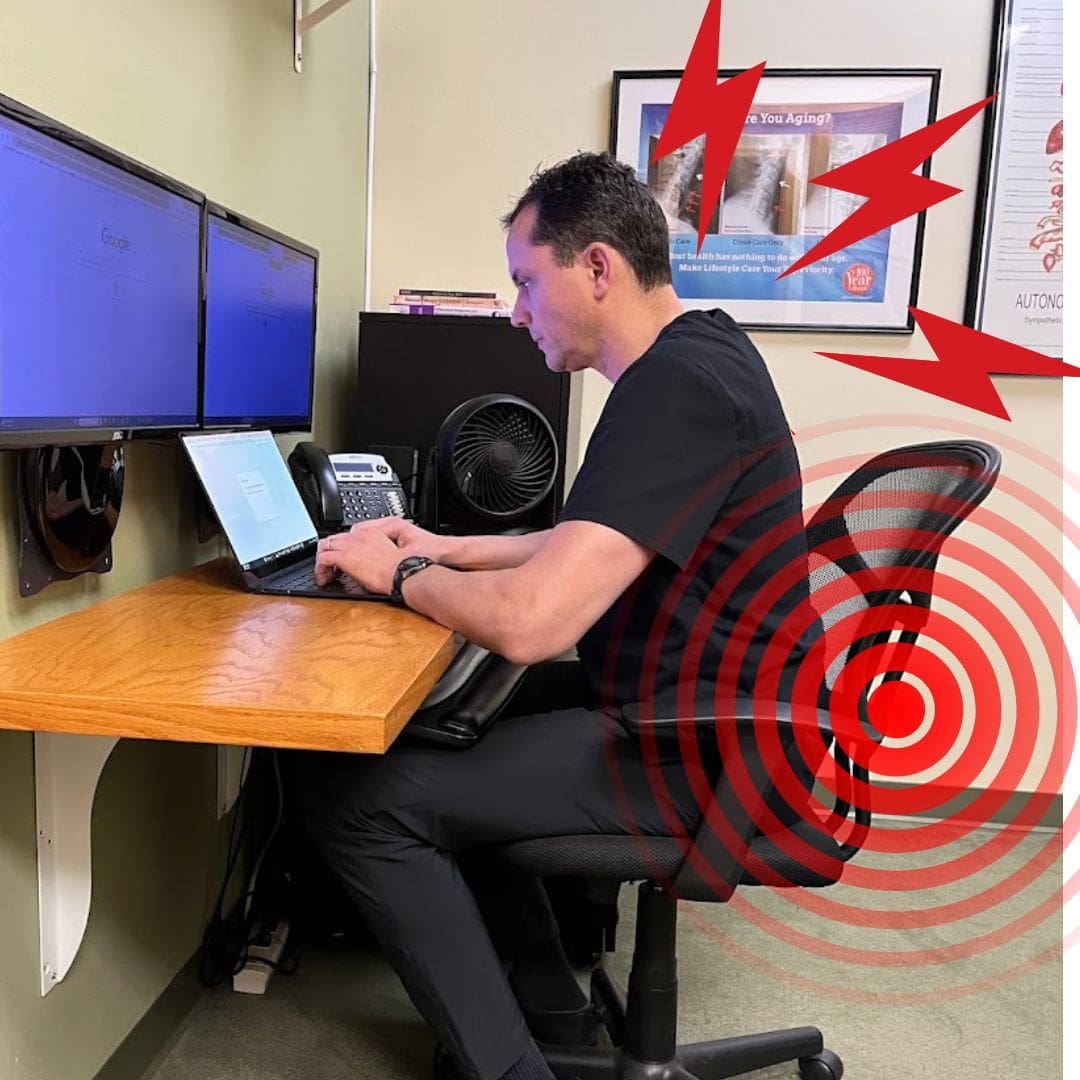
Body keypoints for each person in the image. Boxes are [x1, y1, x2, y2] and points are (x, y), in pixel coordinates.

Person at [302, 152, 815, 1080]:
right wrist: (448, 546)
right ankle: (556, 1017)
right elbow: (590, 539)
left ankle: (515, 1069)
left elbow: (535, 622)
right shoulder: (703, 353)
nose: (514, 311)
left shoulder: (675, 389)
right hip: (716, 711)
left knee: (360, 803)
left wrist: (401, 571)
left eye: (524, 282)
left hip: (699, 744)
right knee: (449, 733)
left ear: (597, 268)